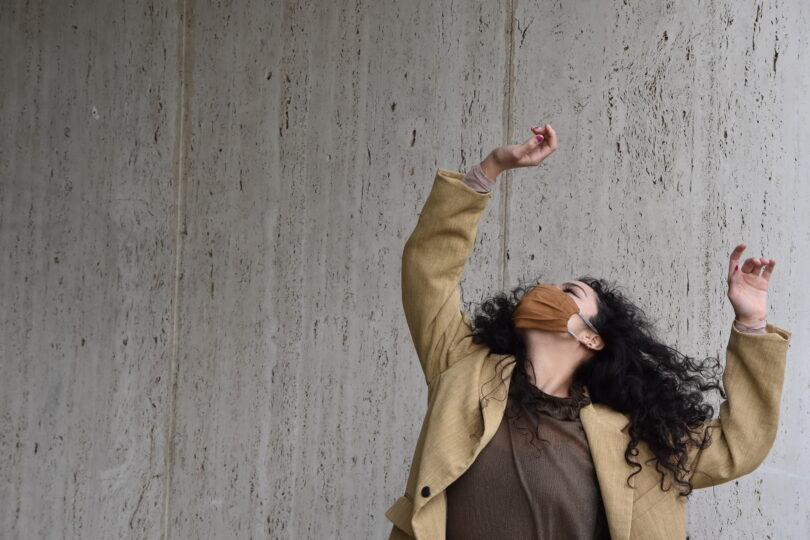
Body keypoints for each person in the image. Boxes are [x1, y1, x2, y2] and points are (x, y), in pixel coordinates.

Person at [385, 124, 792, 540]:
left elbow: (736, 446)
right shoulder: (463, 367)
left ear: (592, 338)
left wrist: (751, 323)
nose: (547, 291)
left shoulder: (632, 441)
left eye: (570, 292)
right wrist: (489, 170)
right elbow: (427, 273)